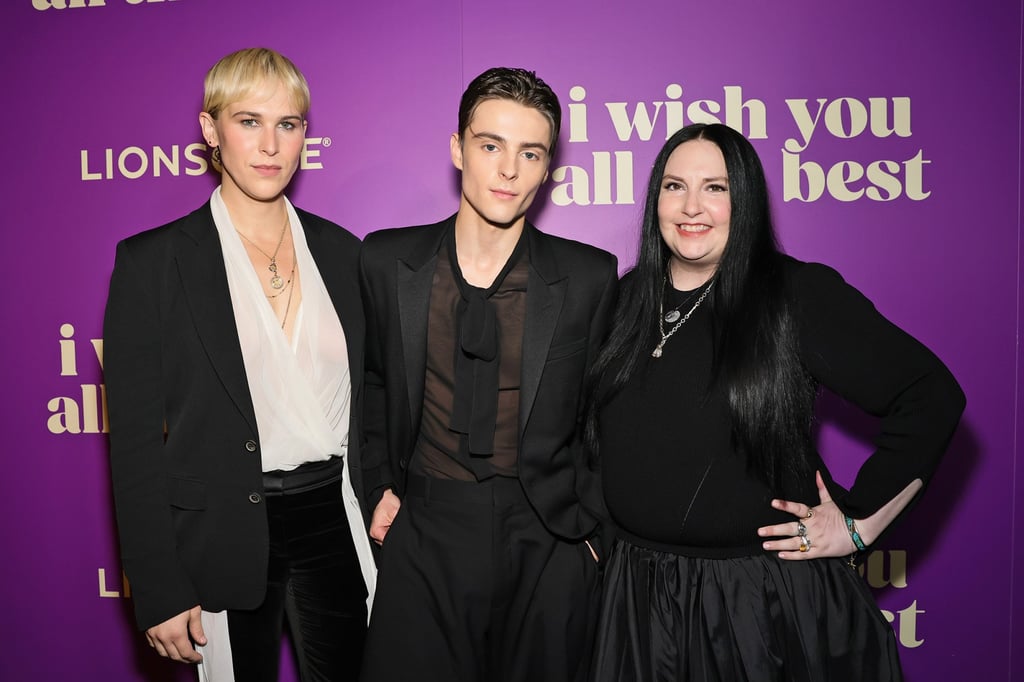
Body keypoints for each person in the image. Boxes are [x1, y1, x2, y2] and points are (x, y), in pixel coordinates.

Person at [585, 122, 965, 682]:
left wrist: (858, 523)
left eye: (716, 188)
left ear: (745, 200)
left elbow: (929, 394)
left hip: (757, 607)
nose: (691, 207)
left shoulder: (794, 295)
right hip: (639, 601)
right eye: (674, 186)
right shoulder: (622, 300)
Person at [103, 47, 375, 682]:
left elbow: (376, 405)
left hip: (336, 522)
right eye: (249, 121)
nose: (270, 145)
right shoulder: (153, 264)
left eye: (288, 124)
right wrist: (159, 586)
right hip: (223, 531)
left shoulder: (344, 253)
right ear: (211, 129)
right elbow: (135, 448)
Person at [358, 67, 616, 682]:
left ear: (548, 168)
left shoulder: (589, 276)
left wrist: (592, 538)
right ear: (458, 149)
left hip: (547, 538)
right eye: (490, 145)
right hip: (425, 529)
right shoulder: (386, 260)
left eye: (530, 153)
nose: (509, 170)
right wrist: (378, 488)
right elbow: (371, 384)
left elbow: (606, 415)